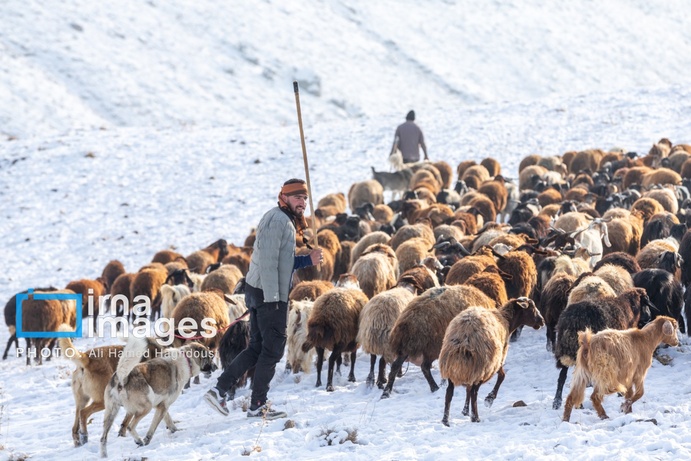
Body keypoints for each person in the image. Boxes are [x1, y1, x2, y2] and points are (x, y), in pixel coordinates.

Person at [204, 178, 323, 420]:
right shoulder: (279, 221)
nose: (302, 202)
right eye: (297, 197)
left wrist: (306, 260)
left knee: (257, 347)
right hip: (269, 294)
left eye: (304, 198)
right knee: (273, 350)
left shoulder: (281, 219)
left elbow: (282, 261)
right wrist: (275, 299)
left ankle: (220, 390)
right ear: (284, 197)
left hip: (261, 291)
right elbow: (269, 263)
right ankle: (257, 403)